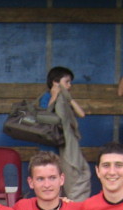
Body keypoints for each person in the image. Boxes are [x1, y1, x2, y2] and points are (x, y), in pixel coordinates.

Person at [38, 67, 91, 201]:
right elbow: (44, 115)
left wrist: (69, 98)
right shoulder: (46, 97)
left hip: (64, 149)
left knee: (67, 182)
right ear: (55, 82)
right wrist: (54, 95)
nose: (69, 85)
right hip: (50, 150)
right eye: (66, 82)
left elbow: (81, 113)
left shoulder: (65, 100)